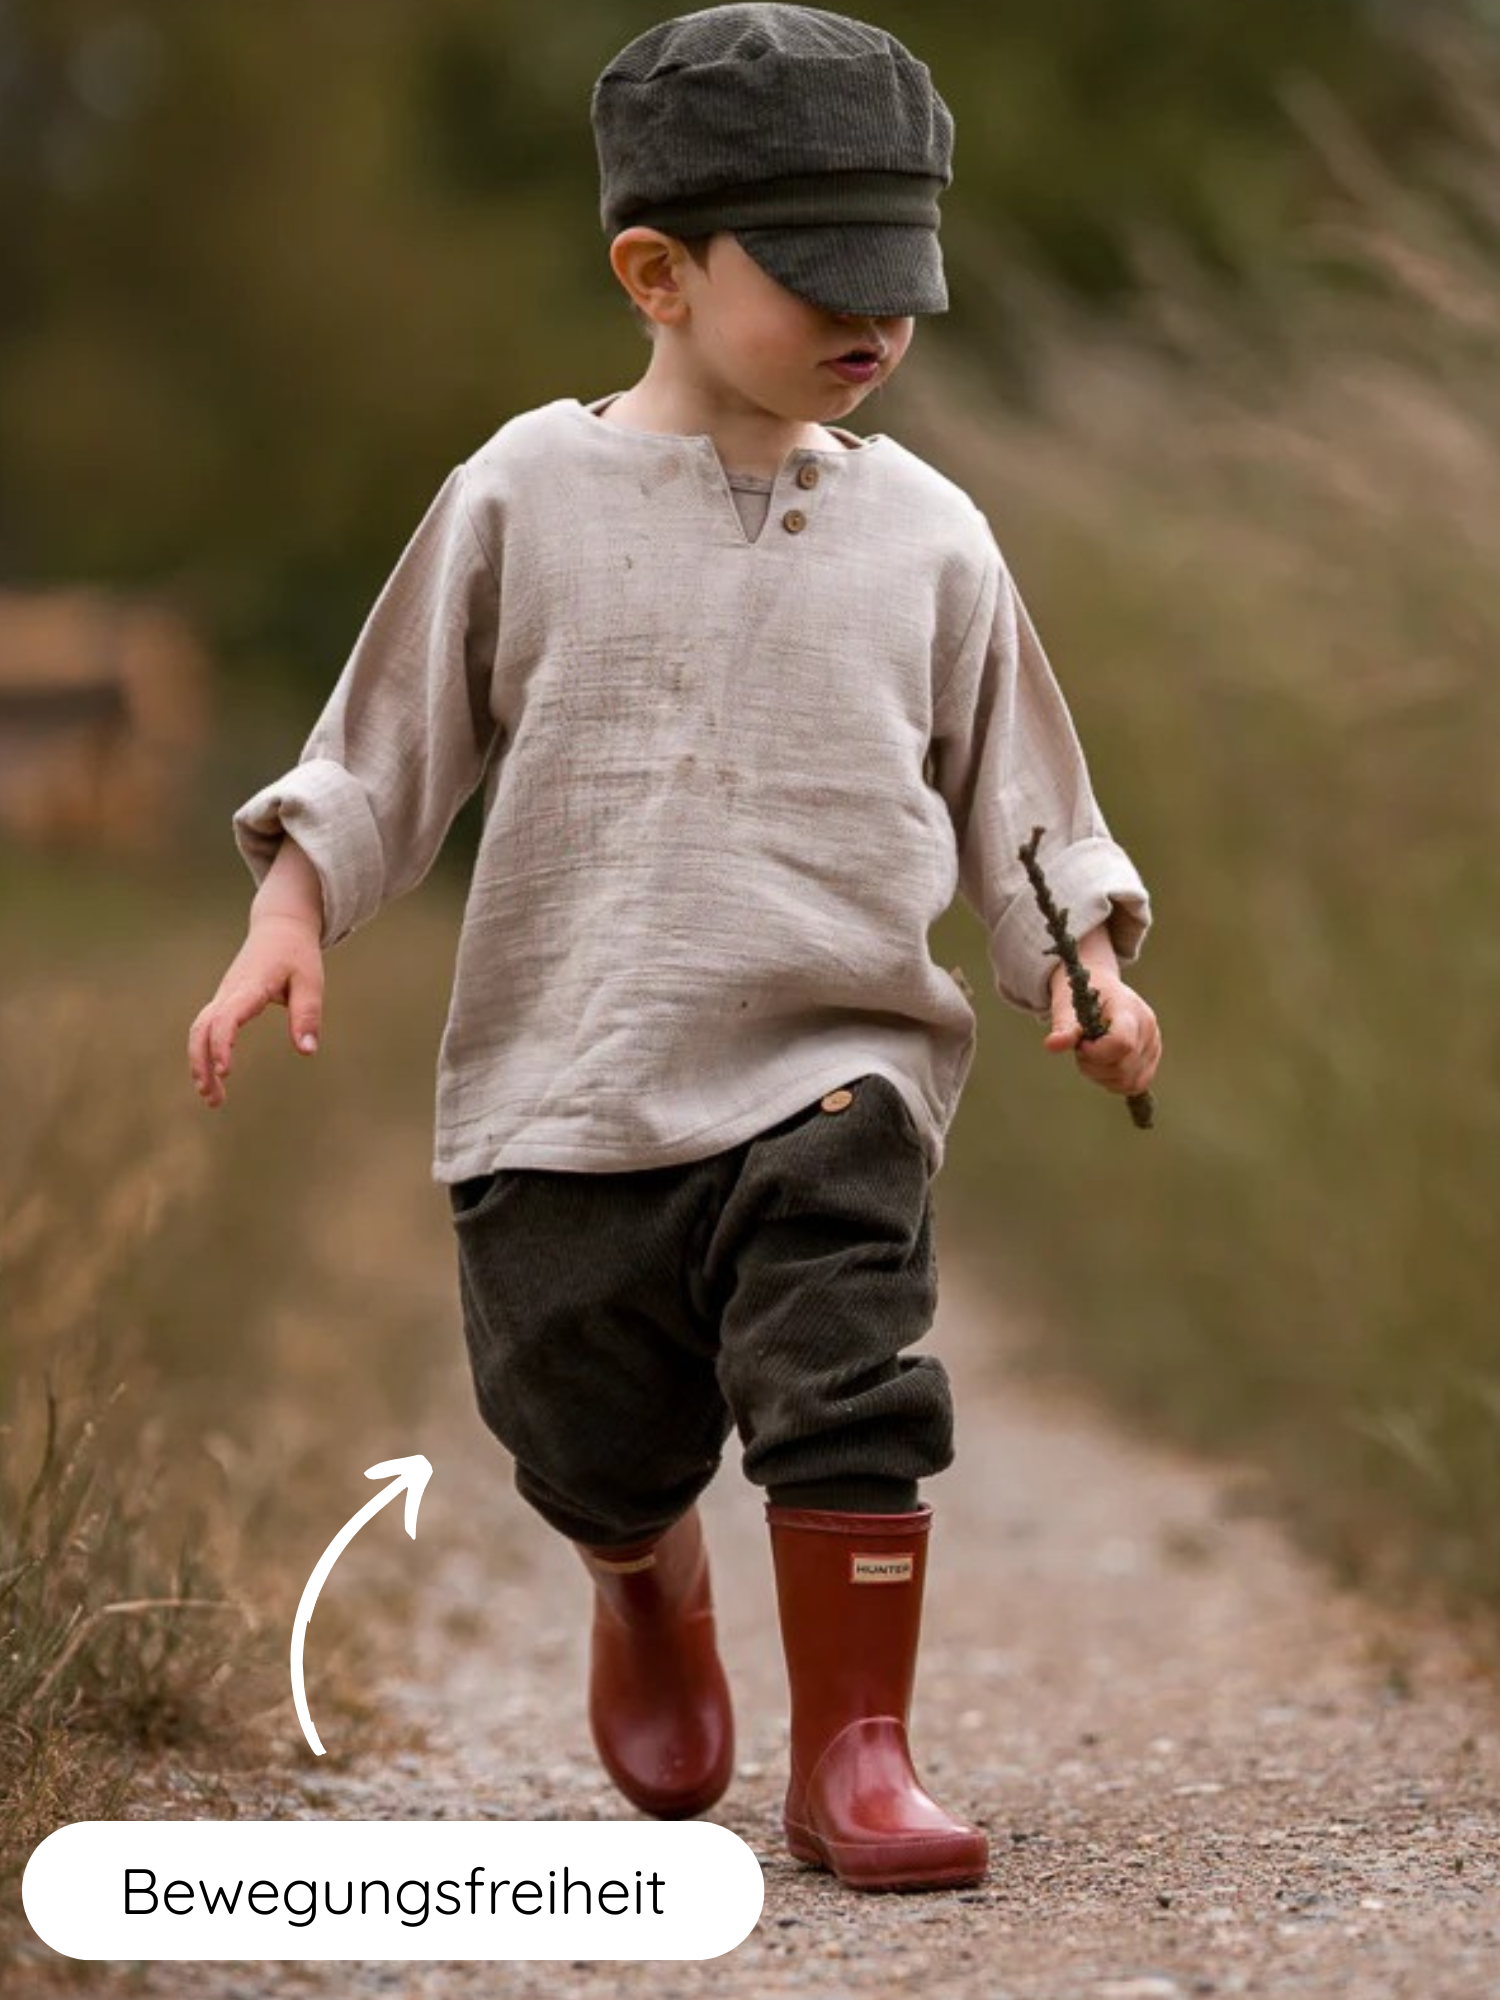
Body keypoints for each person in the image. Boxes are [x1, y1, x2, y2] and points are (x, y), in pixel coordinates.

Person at [188, 3, 1161, 1893]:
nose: (876, 324)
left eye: (903, 281)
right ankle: (640, 1573)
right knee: (585, 1426)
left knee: (849, 1384)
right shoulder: (520, 497)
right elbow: (385, 743)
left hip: (837, 1064)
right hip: (568, 1075)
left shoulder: (936, 539)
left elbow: (1026, 810)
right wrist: (291, 908)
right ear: (655, 271)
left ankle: (857, 1754)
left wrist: (1091, 974)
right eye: (823, 282)